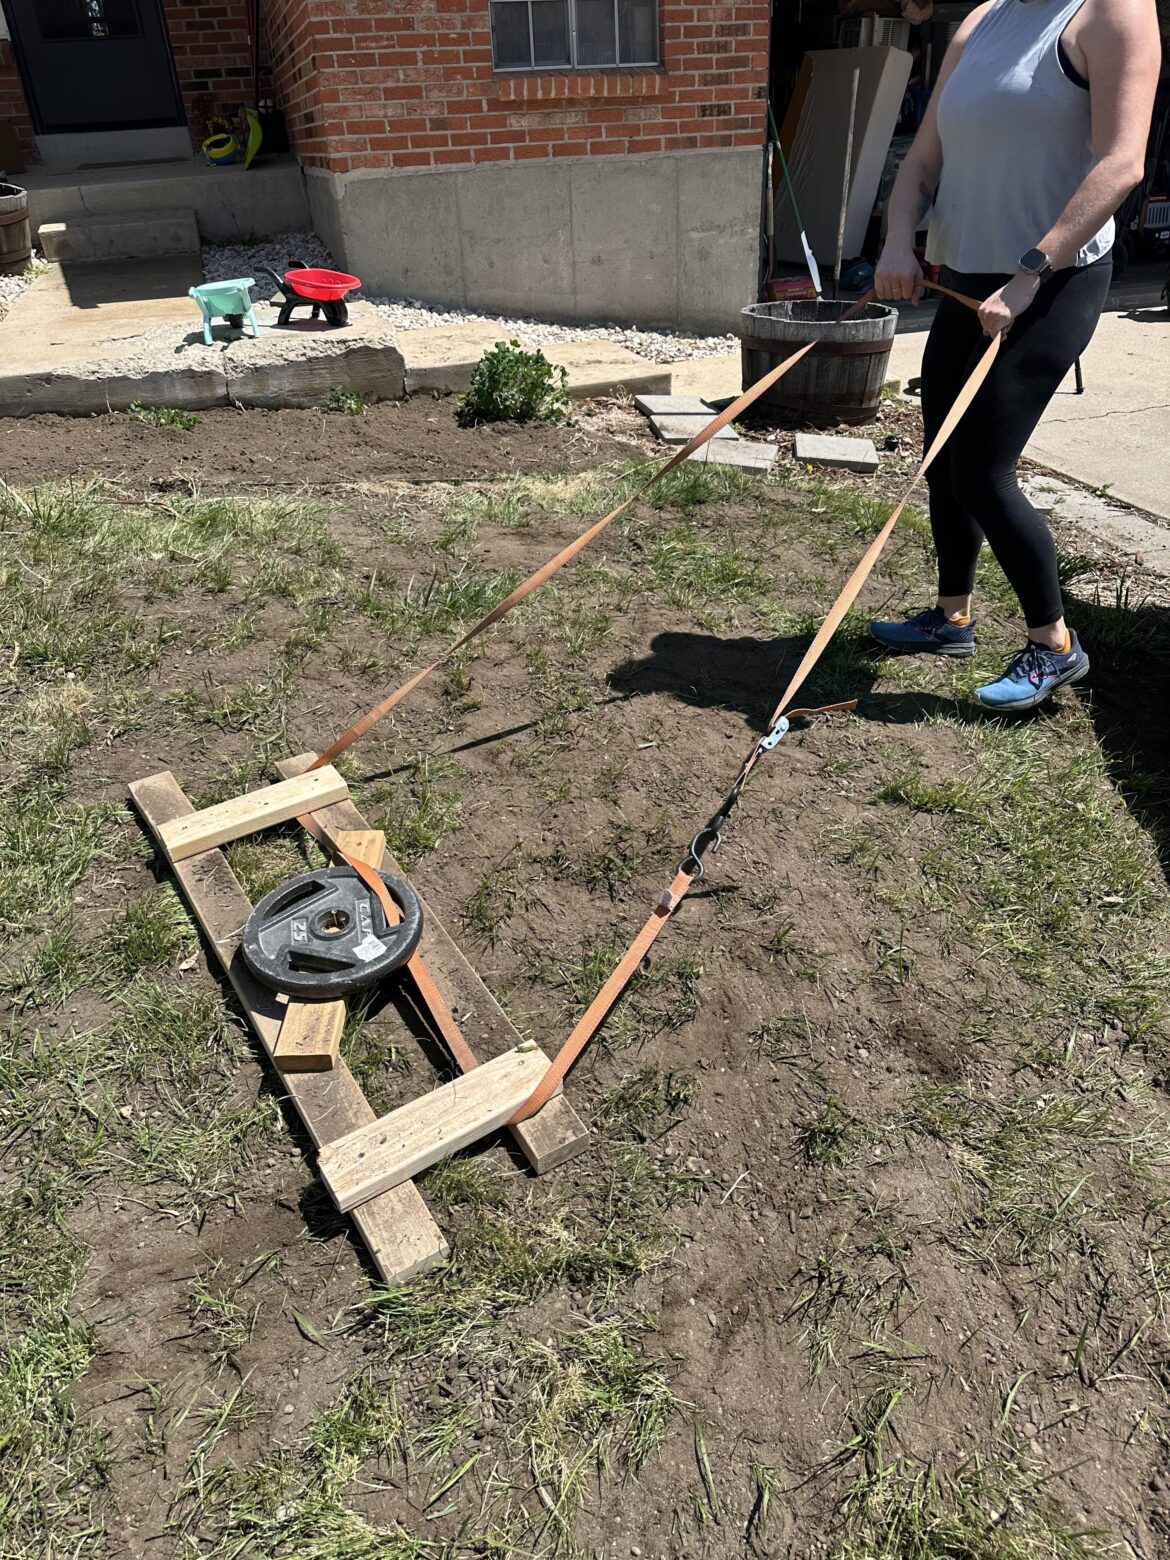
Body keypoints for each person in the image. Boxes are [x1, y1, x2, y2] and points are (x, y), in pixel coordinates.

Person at [871, 0, 1160, 710]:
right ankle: (952, 618)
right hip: (969, 279)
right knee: (942, 456)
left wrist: (1031, 271)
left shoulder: (1110, 13)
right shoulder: (984, 20)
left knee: (982, 471)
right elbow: (924, 160)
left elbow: (1122, 163)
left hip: (1052, 283)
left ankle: (1054, 645)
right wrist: (897, 238)